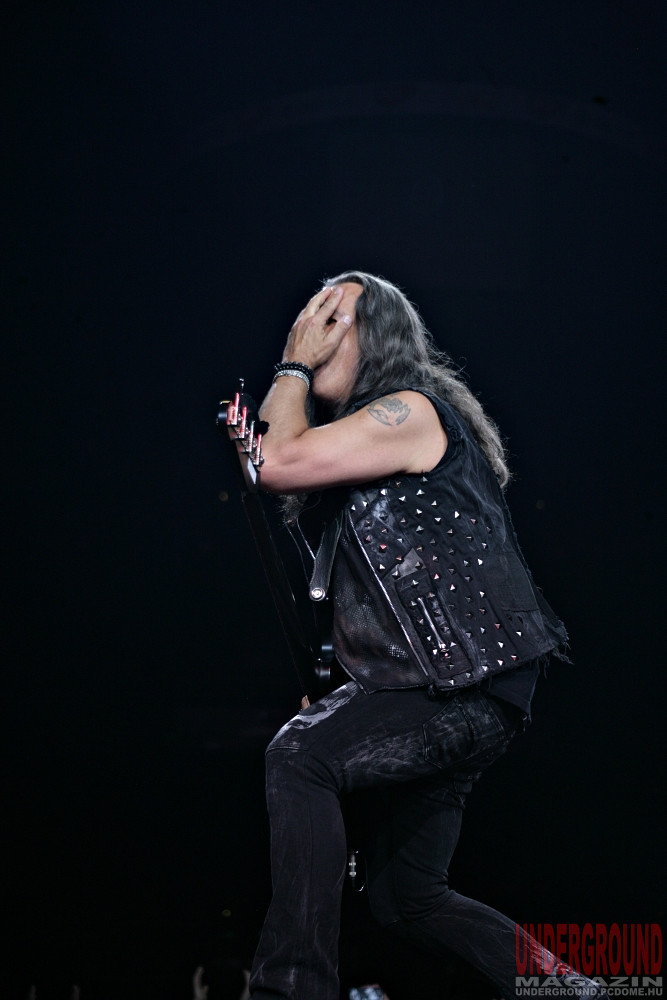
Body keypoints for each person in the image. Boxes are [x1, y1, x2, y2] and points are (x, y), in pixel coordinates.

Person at [240, 272, 607, 1000]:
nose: (313, 330)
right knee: (408, 898)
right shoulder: (367, 453)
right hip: (457, 688)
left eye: (333, 318)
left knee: (299, 755)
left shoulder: (409, 410)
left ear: (378, 336)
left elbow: (274, 463)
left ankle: (290, 989)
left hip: (459, 683)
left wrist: (290, 368)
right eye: (310, 315)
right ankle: (577, 994)